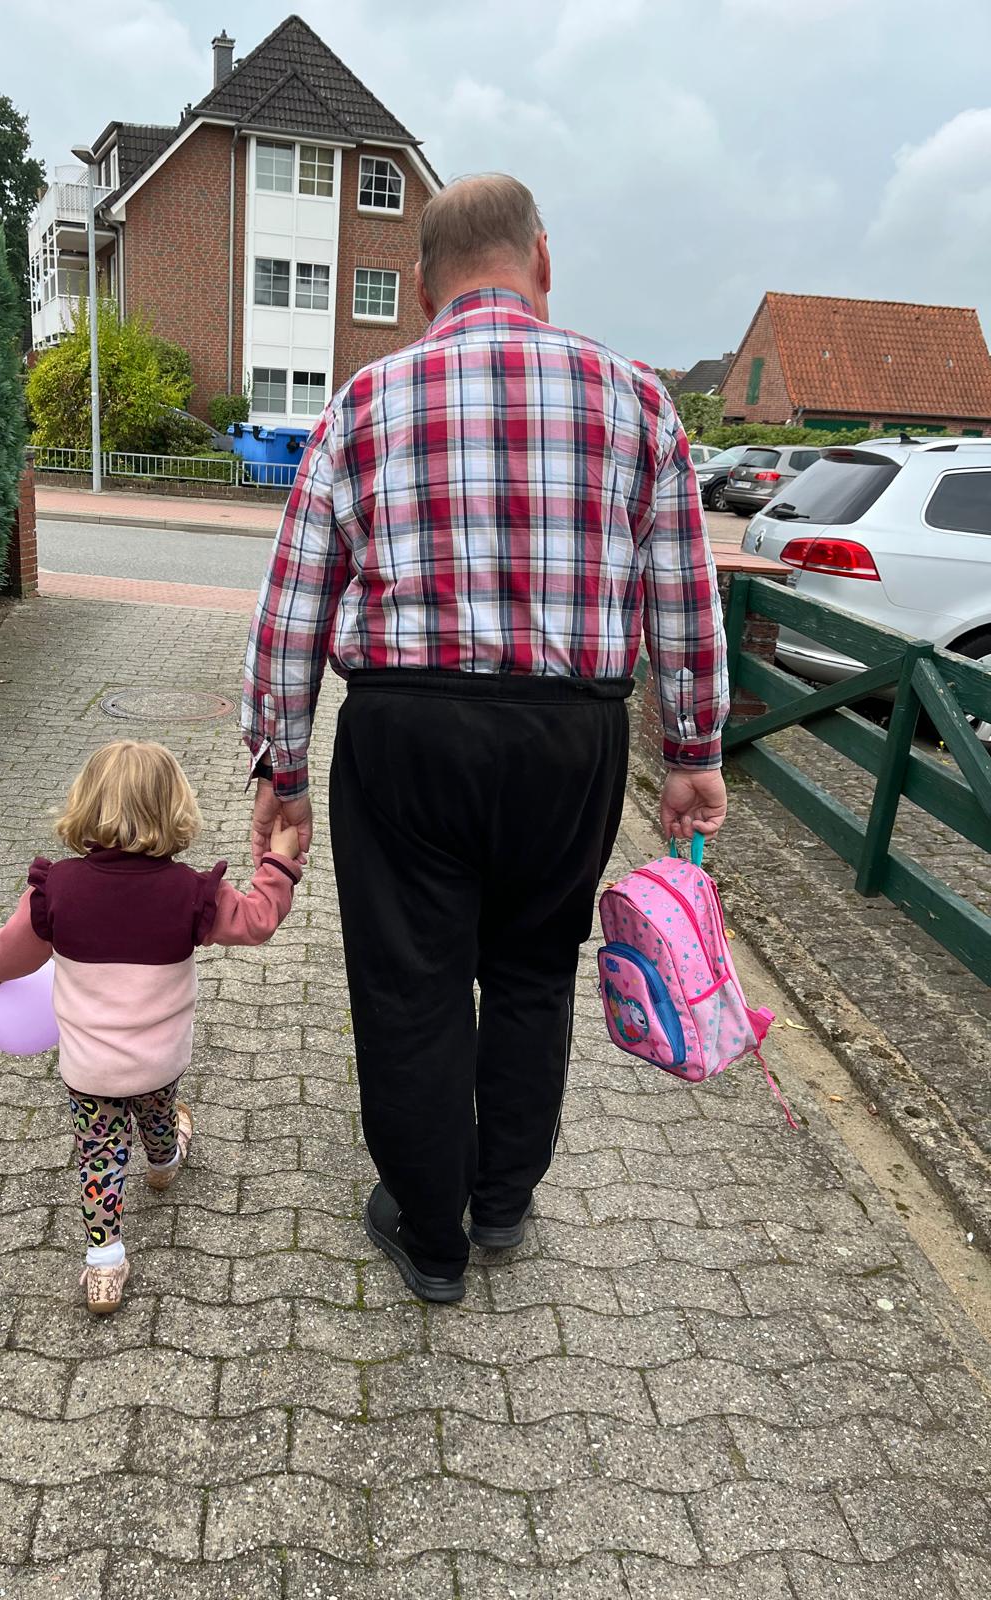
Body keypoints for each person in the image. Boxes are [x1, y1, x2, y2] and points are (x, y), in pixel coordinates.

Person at [240, 174, 728, 1304]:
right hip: (572, 738)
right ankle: (502, 1198)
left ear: (421, 289)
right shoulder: (639, 402)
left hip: (406, 733)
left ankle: (431, 1235)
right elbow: (683, 597)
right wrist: (693, 753)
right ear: (542, 261)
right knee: (530, 971)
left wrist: (283, 767)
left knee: (409, 982)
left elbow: (293, 603)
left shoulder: (364, 402)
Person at [0, 739, 302, 1313]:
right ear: (175, 810)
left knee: (98, 1153)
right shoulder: (191, 893)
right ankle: (165, 1162)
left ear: (86, 804)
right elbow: (257, 921)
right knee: (156, 1106)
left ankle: (104, 1266)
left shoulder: (56, 890)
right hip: (159, 1057)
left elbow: (9, 955)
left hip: (90, 1069)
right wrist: (278, 863)